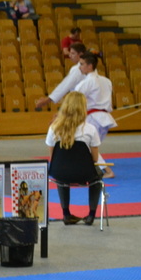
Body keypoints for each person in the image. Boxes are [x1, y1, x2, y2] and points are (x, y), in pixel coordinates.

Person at [46, 91, 102, 225]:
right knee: (98, 176)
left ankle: (66, 214)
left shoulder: (54, 128)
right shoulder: (90, 129)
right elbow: (95, 158)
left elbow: (53, 157)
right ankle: (91, 215)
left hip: (60, 172)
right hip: (85, 173)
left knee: (61, 175)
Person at [75, 52, 116, 177]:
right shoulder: (106, 81)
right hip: (105, 119)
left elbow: (75, 101)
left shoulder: (87, 82)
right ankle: (90, 169)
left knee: (86, 145)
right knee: (89, 146)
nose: (79, 67)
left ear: (90, 66)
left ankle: (107, 171)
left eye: (82, 64)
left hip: (93, 118)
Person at [35, 42, 87, 110]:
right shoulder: (89, 67)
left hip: (82, 103)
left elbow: (65, 85)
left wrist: (47, 100)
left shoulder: (78, 69)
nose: (70, 55)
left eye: (73, 53)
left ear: (81, 54)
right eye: (70, 53)